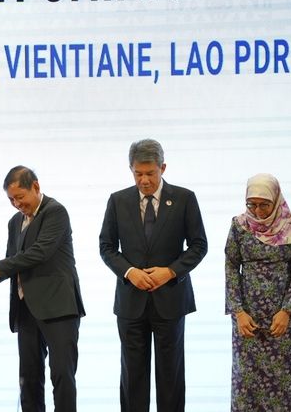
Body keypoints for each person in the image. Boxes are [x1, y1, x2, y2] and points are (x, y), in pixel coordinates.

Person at [99, 139, 207, 412]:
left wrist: (170, 272)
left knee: (170, 375)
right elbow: (106, 246)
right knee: (132, 375)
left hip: (170, 300)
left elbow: (198, 245)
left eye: (150, 173)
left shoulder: (184, 198)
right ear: (131, 169)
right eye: (138, 173)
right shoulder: (118, 200)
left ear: (163, 168)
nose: (144, 180)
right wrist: (129, 271)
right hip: (131, 301)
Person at [0, 166, 86, 412]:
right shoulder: (14, 222)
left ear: (36, 186)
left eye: (20, 197)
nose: (16, 204)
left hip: (58, 308)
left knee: (62, 377)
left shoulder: (55, 212)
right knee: (29, 379)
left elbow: (39, 253)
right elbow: (11, 260)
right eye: (11, 199)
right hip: (26, 311)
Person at [225, 173, 291, 411]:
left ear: (276, 199)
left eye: (264, 205)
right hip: (247, 317)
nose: (258, 211)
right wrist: (238, 312)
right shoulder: (239, 225)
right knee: (246, 378)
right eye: (252, 204)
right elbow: (231, 266)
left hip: (282, 318)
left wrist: (287, 311)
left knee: (282, 377)